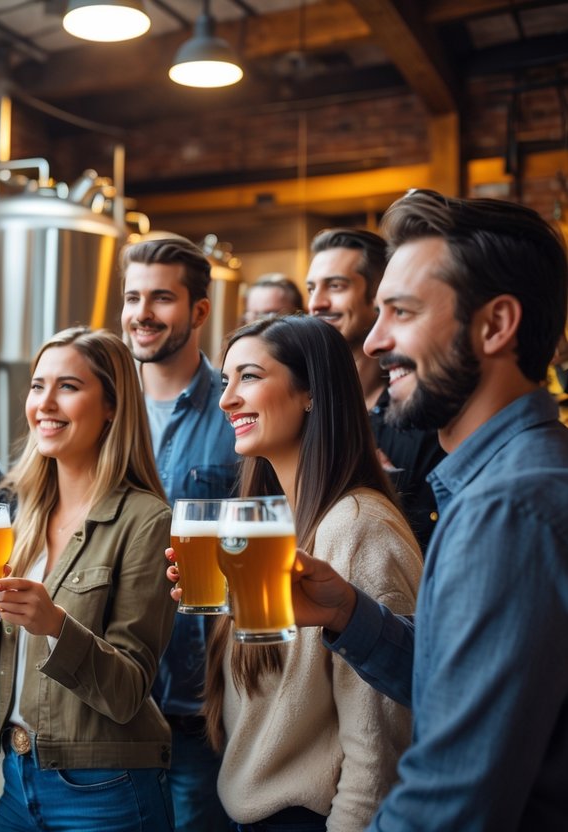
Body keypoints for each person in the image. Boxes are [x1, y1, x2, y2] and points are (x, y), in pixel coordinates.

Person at [290, 190, 568, 831]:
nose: (375, 339)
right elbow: (466, 688)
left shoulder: (509, 506)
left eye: (402, 313)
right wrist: (348, 612)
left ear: (496, 325)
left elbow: (448, 798)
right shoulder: (505, 479)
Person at [182, 315, 422, 831]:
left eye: (249, 377)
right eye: (226, 382)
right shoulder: (275, 524)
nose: (226, 400)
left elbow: (380, 750)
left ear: (311, 392)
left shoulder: (360, 528)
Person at [0, 326, 176, 831]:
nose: (45, 402)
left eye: (68, 386)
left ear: (112, 407)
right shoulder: (23, 515)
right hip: (20, 777)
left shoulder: (146, 520)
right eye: (37, 385)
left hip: (104, 788)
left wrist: (55, 624)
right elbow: (0, 659)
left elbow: (129, 689)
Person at [120, 236, 238, 830]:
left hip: (200, 702)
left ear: (198, 310)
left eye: (161, 297)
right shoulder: (104, 409)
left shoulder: (236, 411)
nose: (142, 312)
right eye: (132, 296)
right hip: (112, 694)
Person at [305, 228, 444, 550]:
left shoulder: (423, 412)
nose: (316, 303)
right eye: (311, 288)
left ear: (380, 296)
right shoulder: (304, 407)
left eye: (336, 286)